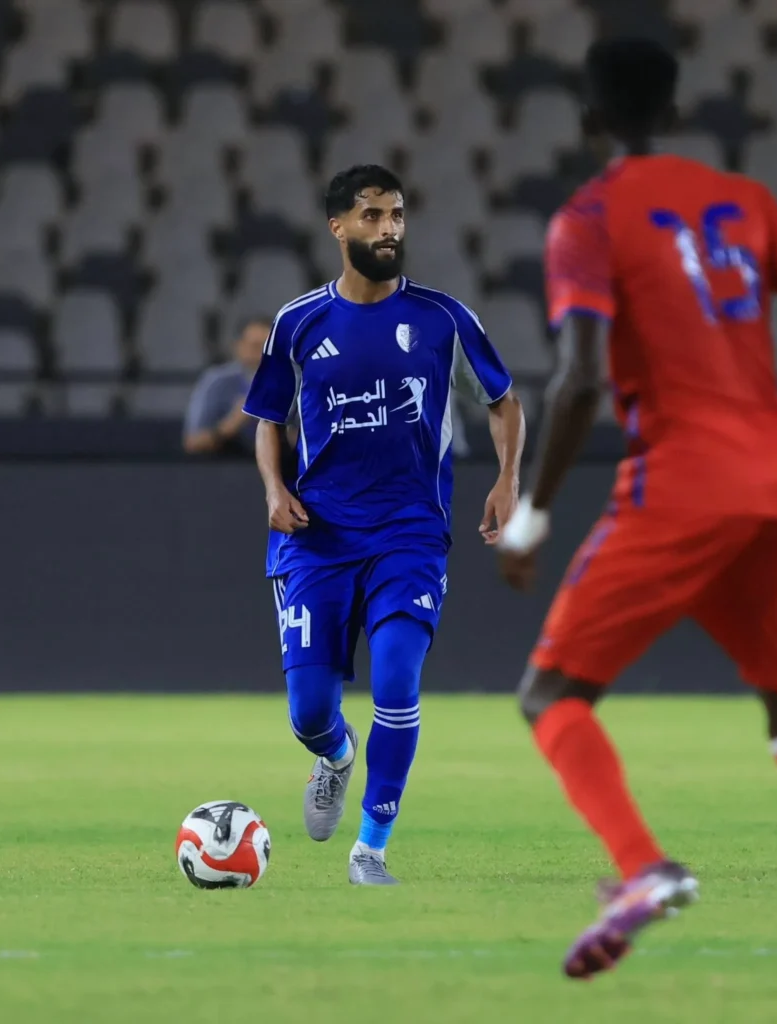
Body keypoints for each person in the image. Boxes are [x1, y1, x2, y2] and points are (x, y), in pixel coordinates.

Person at [497, 39, 777, 992]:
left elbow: (577, 384)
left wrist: (530, 514)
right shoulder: (745, 201)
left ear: (591, 119)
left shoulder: (586, 220)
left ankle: (645, 870)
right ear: (679, 114)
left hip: (684, 484)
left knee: (550, 694)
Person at [244, 164, 525, 885]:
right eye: (370, 217)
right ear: (338, 227)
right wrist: (274, 489)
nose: (388, 229)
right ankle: (335, 756)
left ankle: (370, 847)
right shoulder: (298, 322)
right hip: (316, 538)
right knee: (310, 712)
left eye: (396, 215)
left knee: (397, 684)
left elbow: (502, 401)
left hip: (409, 534)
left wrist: (507, 476)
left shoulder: (443, 319)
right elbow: (268, 421)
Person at [183, 316, 272, 456]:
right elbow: (193, 442)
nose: (262, 353)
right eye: (255, 346)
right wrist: (230, 425)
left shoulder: (294, 381)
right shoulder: (217, 382)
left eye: (268, 346)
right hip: (226, 467)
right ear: (238, 346)